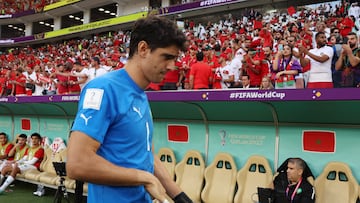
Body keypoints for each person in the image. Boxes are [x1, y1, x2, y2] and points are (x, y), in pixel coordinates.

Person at [66, 15, 193, 203]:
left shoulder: (140, 94)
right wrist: (144, 177)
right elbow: (77, 164)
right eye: (166, 57)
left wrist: (180, 196)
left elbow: (145, 153)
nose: (172, 66)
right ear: (143, 49)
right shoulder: (103, 89)